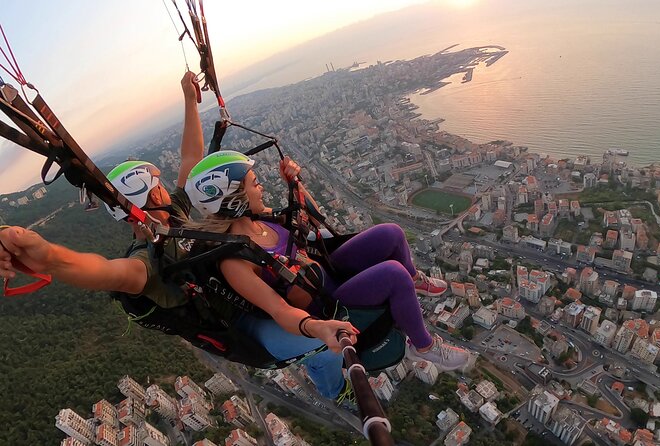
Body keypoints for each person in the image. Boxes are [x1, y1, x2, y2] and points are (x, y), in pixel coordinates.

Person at [0, 73, 357, 403]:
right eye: (158, 185)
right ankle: (334, 391)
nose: (165, 188)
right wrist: (46, 257)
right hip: (243, 331)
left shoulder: (177, 218)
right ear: (152, 195)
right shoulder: (146, 264)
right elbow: (102, 271)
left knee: (316, 264)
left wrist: (189, 100)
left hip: (254, 292)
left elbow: (191, 156)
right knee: (322, 348)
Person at [184, 151, 472, 373]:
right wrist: (317, 328)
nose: (260, 189)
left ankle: (414, 281)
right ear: (234, 197)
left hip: (325, 270)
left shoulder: (260, 218)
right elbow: (279, 310)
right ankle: (424, 346)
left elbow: (311, 217)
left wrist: (295, 183)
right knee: (393, 274)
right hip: (328, 302)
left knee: (392, 233)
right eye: (254, 184)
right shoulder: (235, 262)